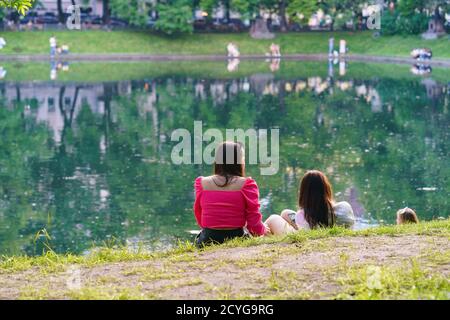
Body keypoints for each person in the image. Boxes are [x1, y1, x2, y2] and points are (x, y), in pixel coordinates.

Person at [194, 141, 270, 246]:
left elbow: (198, 212)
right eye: (243, 158)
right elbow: (253, 219)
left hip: (207, 240)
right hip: (236, 237)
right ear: (238, 162)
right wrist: (262, 230)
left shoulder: (201, 183)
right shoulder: (247, 185)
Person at [265, 170, 355, 235]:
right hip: (312, 226)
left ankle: (264, 238)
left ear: (304, 193)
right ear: (326, 189)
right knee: (285, 213)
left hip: (301, 236)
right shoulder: (344, 207)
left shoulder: (303, 215)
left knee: (273, 219)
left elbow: (305, 234)